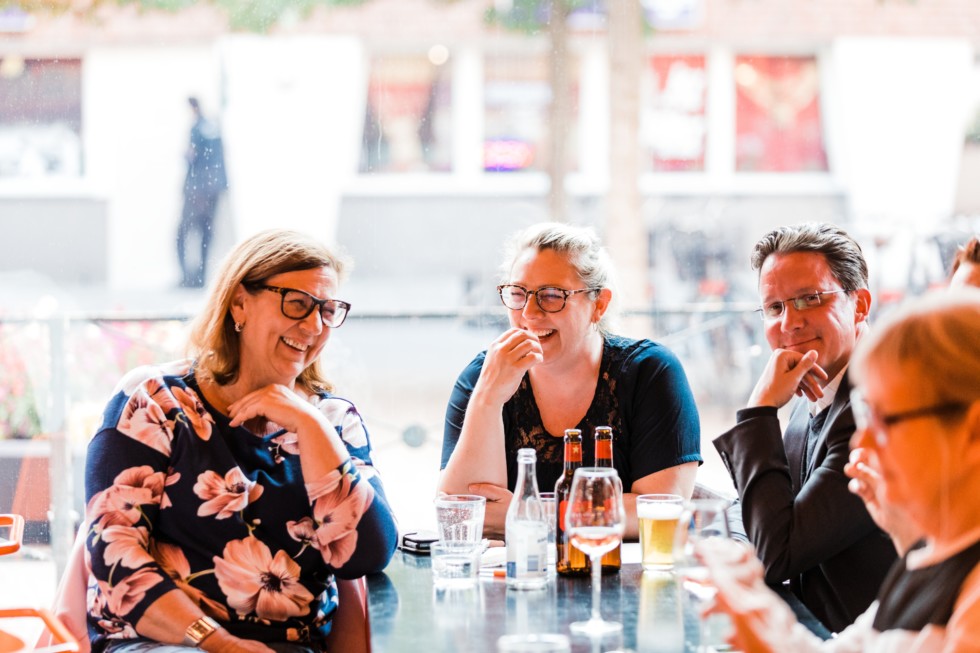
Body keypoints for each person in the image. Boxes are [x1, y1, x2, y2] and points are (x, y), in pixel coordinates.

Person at [83, 229, 398, 652]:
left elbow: (368, 555)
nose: (314, 326)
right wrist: (221, 644)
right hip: (164, 641)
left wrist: (310, 424)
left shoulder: (333, 421)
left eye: (328, 310)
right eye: (297, 304)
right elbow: (115, 557)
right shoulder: (157, 404)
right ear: (239, 304)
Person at [699, 289, 980, 652]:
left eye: (886, 423)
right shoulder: (929, 554)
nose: (861, 447)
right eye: (865, 417)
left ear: (972, 432)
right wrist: (763, 624)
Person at [439, 222, 702, 540]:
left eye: (551, 296)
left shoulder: (650, 373)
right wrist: (488, 398)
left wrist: (528, 515)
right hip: (518, 580)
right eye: (518, 294)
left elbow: (662, 510)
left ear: (599, 305)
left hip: (621, 582)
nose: (530, 313)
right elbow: (461, 515)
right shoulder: (484, 376)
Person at [712, 223, 896, 632]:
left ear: (860, 305)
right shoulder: (815, 383)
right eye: (775, 307)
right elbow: (769, 514)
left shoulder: (877, 405)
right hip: (814, 622)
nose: (789, 323)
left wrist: (759, 407)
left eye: (809, 299)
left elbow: (778, 551)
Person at [177, 96, 228, 288]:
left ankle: (189, 277)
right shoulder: (213, 127)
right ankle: (200, 277)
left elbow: (192, 155)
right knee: (206, 234)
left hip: (198, 190)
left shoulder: (197, 128)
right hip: (213, 189)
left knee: (183, 233)